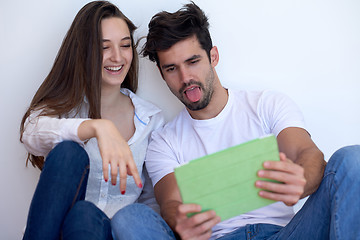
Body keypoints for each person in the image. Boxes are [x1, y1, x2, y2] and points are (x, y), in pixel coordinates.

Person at [142, 2, 360, 239]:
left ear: (213, 56)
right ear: (162, 73)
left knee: (351, 158)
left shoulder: (266, 104)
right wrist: (180, 220)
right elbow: (170, 203)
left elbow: (308, 154)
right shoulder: (164, 142)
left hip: (286, 234)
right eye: (172, 68)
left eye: (193, 62)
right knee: (132, 216)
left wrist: (303, 179)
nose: (186, 78)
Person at [20, 1, 174, 239]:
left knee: (95, 214)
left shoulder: (150, 118)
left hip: (116, 233)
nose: (117, 57)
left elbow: (152, 202)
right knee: (70, 157)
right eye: (105, 47)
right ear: (84, 51)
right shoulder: (67, 109)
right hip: (65, 231)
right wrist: (95, 127)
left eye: (125, 45)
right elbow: (30, 134)